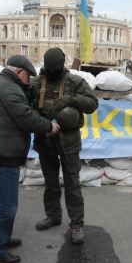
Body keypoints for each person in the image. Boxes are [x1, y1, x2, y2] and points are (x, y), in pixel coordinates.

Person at [0, 55, 60, 263]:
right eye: (27, 75)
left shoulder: (1, 84)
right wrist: (48, 126)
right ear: (18, 71)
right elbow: (25, 118)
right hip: (2, 154)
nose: (29, 79)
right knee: (6, 205)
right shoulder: (9, 88)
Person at [29, 48, 98, 244]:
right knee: (50, 182)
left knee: (72, 183)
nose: (52, 72)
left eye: (55, 69)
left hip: (69, 142)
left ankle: (77, 224)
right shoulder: (36, 83)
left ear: (62, 66)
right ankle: (53, 216)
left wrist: (72, 99)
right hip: (45, 140)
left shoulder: (74, 82)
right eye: (49, 69)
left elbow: (92, 104)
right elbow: (25, 107)